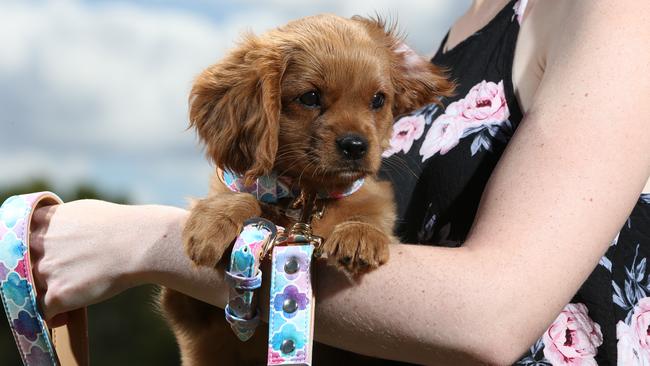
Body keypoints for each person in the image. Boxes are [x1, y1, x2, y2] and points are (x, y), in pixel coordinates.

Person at [27, 0, 650, 364]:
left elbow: (493, 316)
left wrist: (146, 242)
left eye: (377, 105)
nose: (361, 134)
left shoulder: (613, 14)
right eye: (310, 101)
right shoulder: (458, 30)